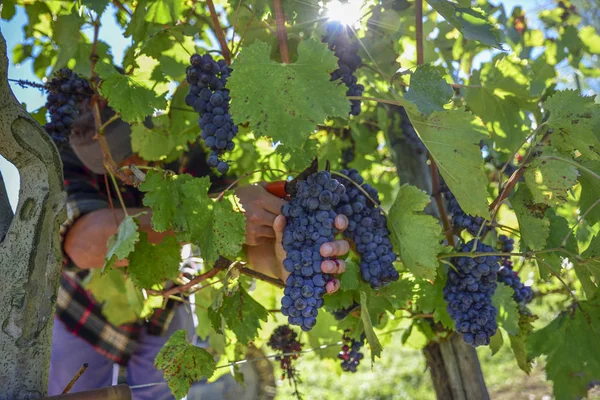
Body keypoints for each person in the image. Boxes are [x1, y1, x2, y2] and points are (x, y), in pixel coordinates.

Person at [48, 104, 351, 399]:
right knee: (74, 394)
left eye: (131, 148)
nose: (127, 166)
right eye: (111, 159)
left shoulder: (185, 154)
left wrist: (286, 254)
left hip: (169, 308)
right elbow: (83, 243)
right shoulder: (61, 157)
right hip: (83, 312)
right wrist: (213, 214)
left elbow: (245, 239)